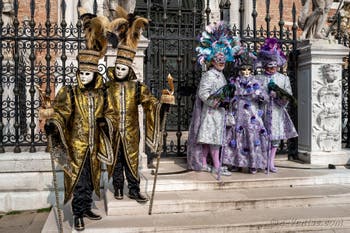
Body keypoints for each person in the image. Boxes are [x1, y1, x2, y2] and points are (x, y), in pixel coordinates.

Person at [44, 13, 115, 231]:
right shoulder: (71, 92)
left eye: (88, 74)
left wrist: (105, 122)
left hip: (94, 145)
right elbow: (62, 113)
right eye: (81, 73)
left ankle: (86, 207)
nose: (84, 77)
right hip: (76, 146)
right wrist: (52, 123)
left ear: (94, 74)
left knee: (92, 178)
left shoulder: (102, 93)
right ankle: (77, 213)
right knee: (78, 179)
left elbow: (109, 113)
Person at [104, 7, 172, 203]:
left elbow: (150, 102)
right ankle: (117, 188)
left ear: (129, 69)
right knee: (116, 162)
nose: (119, 71)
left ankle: (133, 189)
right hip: (113, 131)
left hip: (132, 132)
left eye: (123, 68)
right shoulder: (107, 86)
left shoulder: (137, 87)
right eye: (117, 67)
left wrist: (162, 105)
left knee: (131, 162)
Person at [187, 22, 240, 177]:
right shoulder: (209, 75)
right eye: (218, 59)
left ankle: (205, 163)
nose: (221, 62)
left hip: (218, 113)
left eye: (223, 59)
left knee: (211, 139)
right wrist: (217, 102)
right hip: (211, 112)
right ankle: (216, 165)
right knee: (213, 139)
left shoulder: (220, 75)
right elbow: (203, 93)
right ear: (212, 61)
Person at [222, 50, 269, 174]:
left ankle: (254, 163)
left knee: (252, 136)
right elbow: (229, 96)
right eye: (244, 70)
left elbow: (264, 97)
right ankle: (236, 162)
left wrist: (260, 95)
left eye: (249, 70)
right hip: (238, 113)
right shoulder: (235, 82)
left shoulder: (256, 82)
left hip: (252, 113)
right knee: (235, 136)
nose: (246, 72)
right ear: (240, 70)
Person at [256, 38, 298, 173]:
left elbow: (288, 94)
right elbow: (253, 94)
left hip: (277, 111)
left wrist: (279, 96)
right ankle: (261, 161)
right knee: (261, 137)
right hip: (261, 111)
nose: (272, 69)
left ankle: (270, 161)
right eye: (269, 66)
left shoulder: (283, 78)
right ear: (264, 66)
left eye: (274, 66)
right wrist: (261, 96)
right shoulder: (258, 78)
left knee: (274, 138)